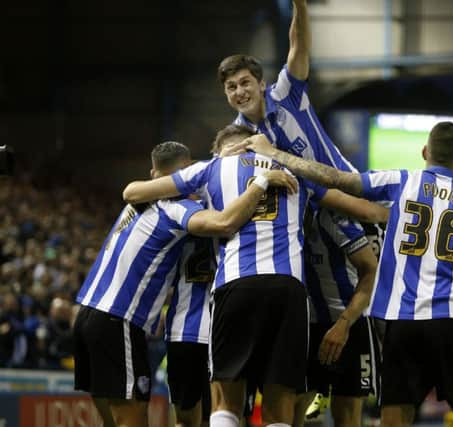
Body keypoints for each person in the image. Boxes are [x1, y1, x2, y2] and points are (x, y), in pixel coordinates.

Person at [241, 121, 453, 427]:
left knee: (395, 419)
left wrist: (273, 152)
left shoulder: (402, 181)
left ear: (425, 152)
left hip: (402, 322)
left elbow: (337, 178)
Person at [122, 124, 389, 427]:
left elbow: (133, 191)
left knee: (226, 402)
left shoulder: (210, 168)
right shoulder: (296, 172)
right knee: (281, 405)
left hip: (236, 285)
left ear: (225, 148)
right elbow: (367, 211)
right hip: (289, 290)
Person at [73, 141, 295, 427]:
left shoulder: (136, 203)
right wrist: (260, 181)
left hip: (88, 313)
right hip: (120, 319)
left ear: (154, 174)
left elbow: (132, 189)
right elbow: (225, 222)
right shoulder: (176, 207)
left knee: (113, 422)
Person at [218, 0, 356, 173]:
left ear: (261, 84)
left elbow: (298, 46)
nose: (239, 92)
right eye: (231, 87)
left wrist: (300, 5)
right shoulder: (236, 135)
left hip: (346, 187)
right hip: (300, 201)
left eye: (245, 83)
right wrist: (219, 163)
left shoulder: (285, 93)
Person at [294, 208, 380, 427]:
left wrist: (344, 323)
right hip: (307, 326)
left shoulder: (331, 217)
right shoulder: (288, 215)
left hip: (350, 324)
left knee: (348, 414)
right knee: (292, 412)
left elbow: (371, 270)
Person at [163, 235, 214, 427]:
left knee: (183, 420)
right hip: (217, 333)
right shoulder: (230, 237)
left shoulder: (179, 238)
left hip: (181, 330)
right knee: (223, 413)